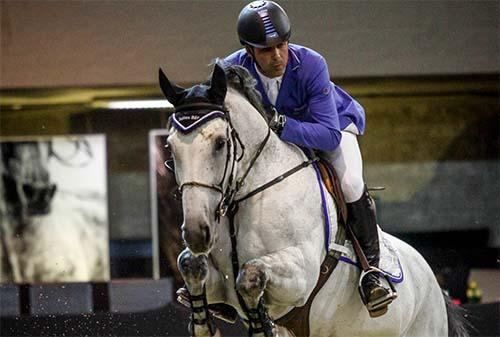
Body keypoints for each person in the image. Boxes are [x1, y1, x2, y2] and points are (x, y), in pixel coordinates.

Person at [223, 0, 397, 317]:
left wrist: (280, 124)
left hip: (330, 126)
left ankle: (373, 271)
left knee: (350, 181)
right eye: (266, 50)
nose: (277, 57)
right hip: (278, 141)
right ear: (248, 50)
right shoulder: (230, 71)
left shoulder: (312, 63)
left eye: (282, 45)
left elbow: (328, 135)